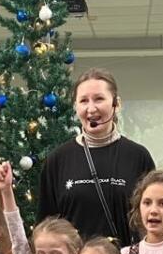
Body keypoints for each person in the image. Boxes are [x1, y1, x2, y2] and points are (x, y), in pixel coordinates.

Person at [38, 68, 156, 244]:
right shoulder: (57, 160)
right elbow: (45, 226)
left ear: (116, 104)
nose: (91, 108)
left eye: (99, 99)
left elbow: (152, 220)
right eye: (83, 101)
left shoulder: (138, 157)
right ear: (76, 107)